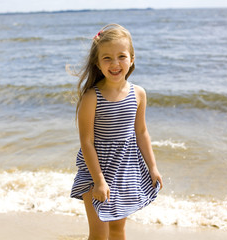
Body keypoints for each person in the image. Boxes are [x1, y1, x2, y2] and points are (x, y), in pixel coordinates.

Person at [70, 23, 163, 240]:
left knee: (118, 230)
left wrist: (153, 167)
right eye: (107, 58)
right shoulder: (92, 97)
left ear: (132, 58)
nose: (115, 64)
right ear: (97, 63)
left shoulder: (138, 94)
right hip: (96, 172)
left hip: (124, 172)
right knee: (99, 234)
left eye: (121, 56)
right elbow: (87, 142)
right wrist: (99, 180)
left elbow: (141, 132)